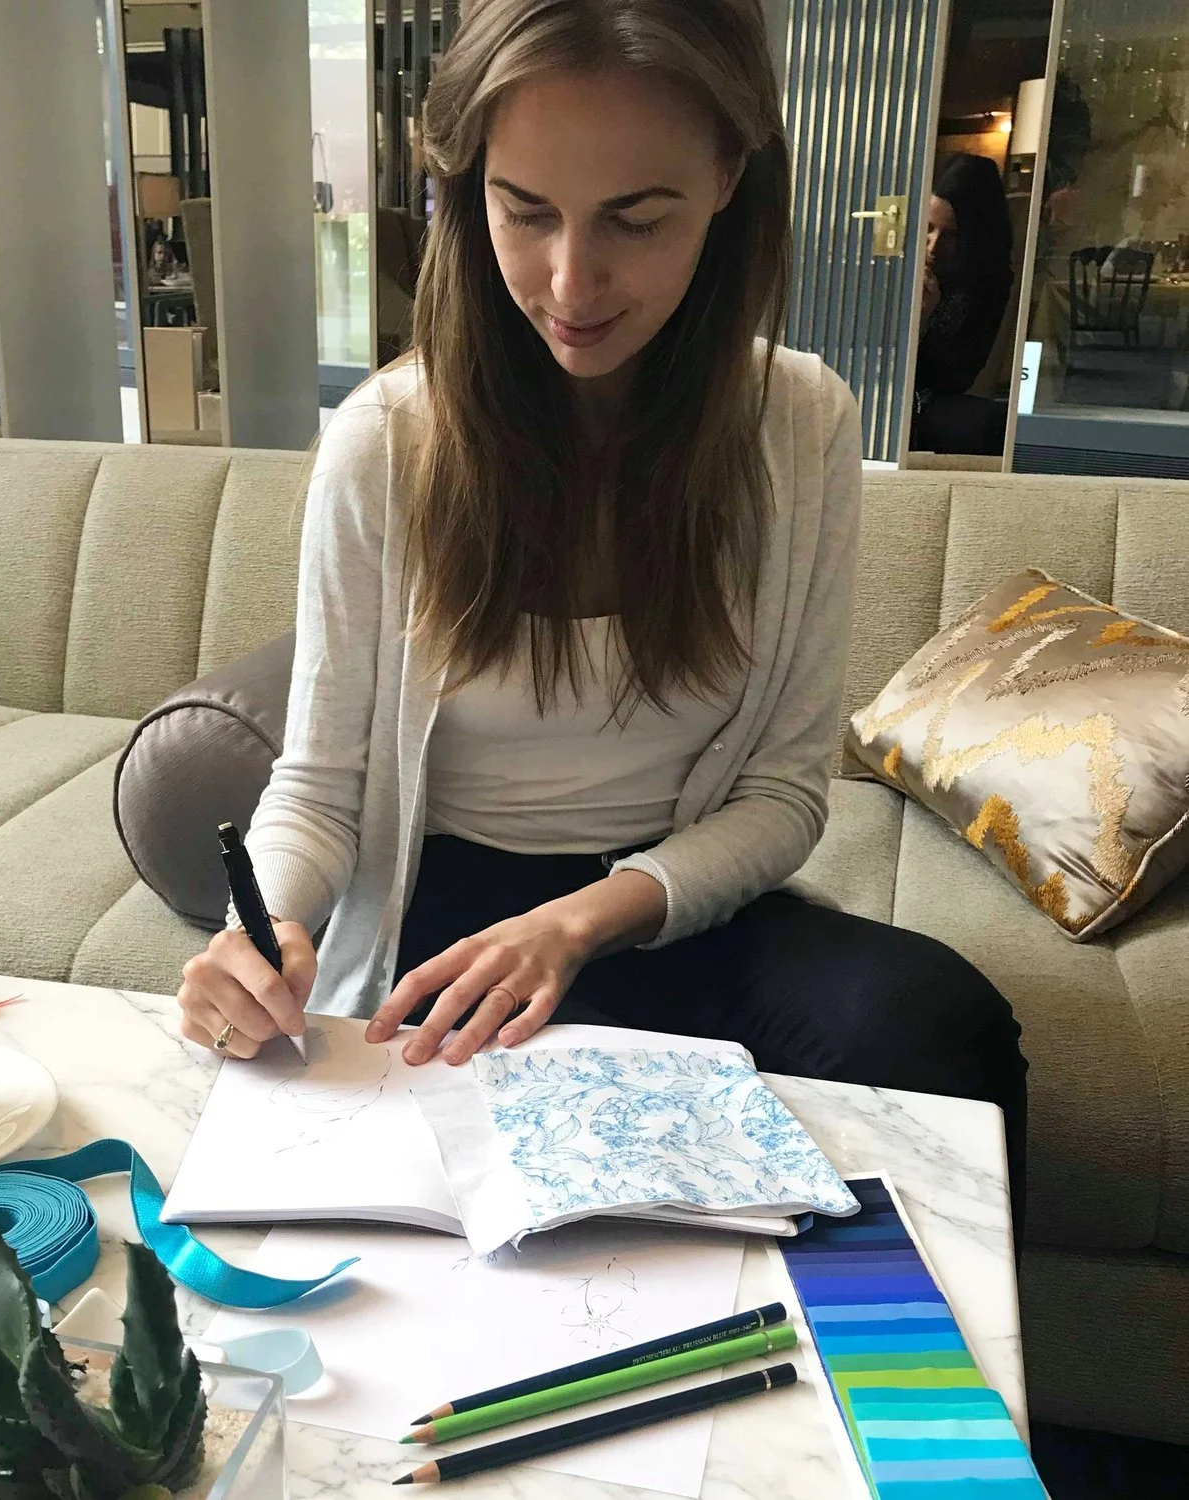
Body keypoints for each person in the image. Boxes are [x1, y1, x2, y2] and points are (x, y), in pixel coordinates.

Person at [176, 0, 1027, 1206]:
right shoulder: (387, 441)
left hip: (666, 906)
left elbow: (784, 794)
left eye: (635, 218)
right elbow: (320, 786)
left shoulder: (801, 427)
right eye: (524, 212)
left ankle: (899, 1342)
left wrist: (580, 923)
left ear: (726, 178)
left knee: (936, 1022)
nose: (571, 282)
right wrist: (260, 933)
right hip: (441, 929)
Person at [912, 153, 1014, 454]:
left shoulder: (983, 284)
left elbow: (954, 376)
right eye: (929, 228)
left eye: (951, 235)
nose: (934, 246)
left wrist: (923, 319)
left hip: (929, 400)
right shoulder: (906, 266)